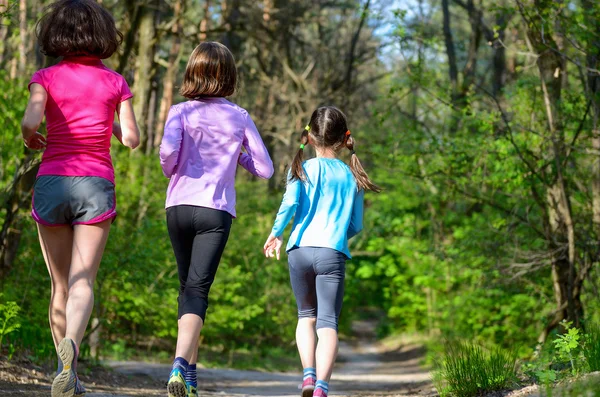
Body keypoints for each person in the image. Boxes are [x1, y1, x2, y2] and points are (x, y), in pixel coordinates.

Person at [20, 1, 140, 396]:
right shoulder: (115, 82)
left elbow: (31, 121)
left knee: (59, 286)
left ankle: (64, 370)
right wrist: (113, 122)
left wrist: (29, 137)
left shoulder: (45, 76)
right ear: (102, 35)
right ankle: (73, 350)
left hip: (53, 180)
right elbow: (132, 139)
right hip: (95, 183)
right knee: (83, 279)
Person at [159, 41, 274, 397]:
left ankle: (189, 379)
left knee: (186, 291)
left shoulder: (179, 111)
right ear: (229, 77)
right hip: (214, 210)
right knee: (197, 291)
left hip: (177, 207)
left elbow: (166, 157)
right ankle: (179, 366)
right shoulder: (239, 117)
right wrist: (235, 155)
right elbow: (266, 169)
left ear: (192, 72)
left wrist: (176, 166)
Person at [263, 106, 381, 397]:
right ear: (343, 140)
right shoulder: (353, 175)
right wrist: (338, 236)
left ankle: (307, 377)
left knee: (306, 316)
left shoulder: (300, 168)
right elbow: (356, 225)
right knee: (328, 322)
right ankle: (321, 389)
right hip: (332, 252)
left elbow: (289, 205)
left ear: (311, 138)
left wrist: (276, 234)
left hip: (299, 250)